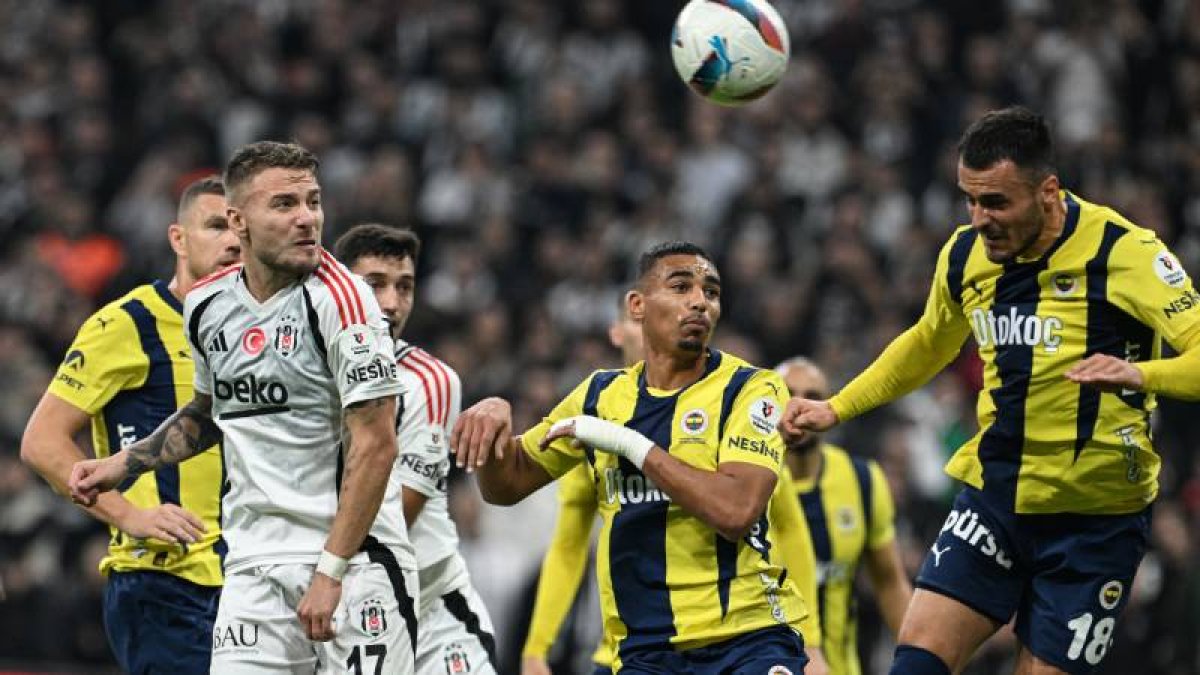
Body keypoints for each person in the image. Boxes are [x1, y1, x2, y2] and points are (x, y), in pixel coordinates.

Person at [780, 106, 1200, 675]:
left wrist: (1143, 374)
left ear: (1047, 192)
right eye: (970, 200)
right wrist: (836, 407)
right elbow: (929, 342)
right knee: (916, 663)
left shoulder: (1124, 252)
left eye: (996, 202)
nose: (980, 219)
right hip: (997, 497)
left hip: (1095, 520)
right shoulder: (964, 255)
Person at [69, 141, 420, 673]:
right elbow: (210, 412)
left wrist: (331, 571)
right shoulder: (208, 305)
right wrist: (124, 464)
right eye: (284, 204)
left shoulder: (344, 301)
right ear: (239, 221)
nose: (307, 218)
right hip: (252, 565)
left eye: (313, 202)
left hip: (355, 562)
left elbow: (377, 445)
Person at [453, 241, 825, 674]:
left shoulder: (751, 389)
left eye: (711, 292)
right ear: (637, 306)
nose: (699, 301)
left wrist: (629, 444)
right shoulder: (599, 395)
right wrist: (493, 425)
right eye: (681, 287)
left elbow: (737, 511)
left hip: (747, 640)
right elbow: (507, 485)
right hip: (643, 653)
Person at [20, 175, 240, 674]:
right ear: (178, 239)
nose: (231, 241)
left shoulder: (257, 333)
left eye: (239, 230)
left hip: (248, 581)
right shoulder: (128, 323)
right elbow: (41, 442)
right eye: (214, 226)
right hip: (165, 584)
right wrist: (128, 516)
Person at [335, 223, 498, 675]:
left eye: (404, 287)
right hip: (342, 607)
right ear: (338, 289)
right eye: (375, 284)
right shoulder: (305, 377)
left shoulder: (430, 382)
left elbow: (398, 513)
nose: (391, 303)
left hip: (430, 611)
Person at [520, 293, 642, 675]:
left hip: (711, 645)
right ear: (617, 332)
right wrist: (537, 649)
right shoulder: (593, 415)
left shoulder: (715, 408)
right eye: (638, 321)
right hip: (621, 653)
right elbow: (569, 546)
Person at [775, 356, 912, 675]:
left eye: (812, 396)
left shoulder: (863, 481)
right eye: (787, 393)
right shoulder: (750, 483)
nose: (799, 405)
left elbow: (890, 583)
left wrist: (922, 659)